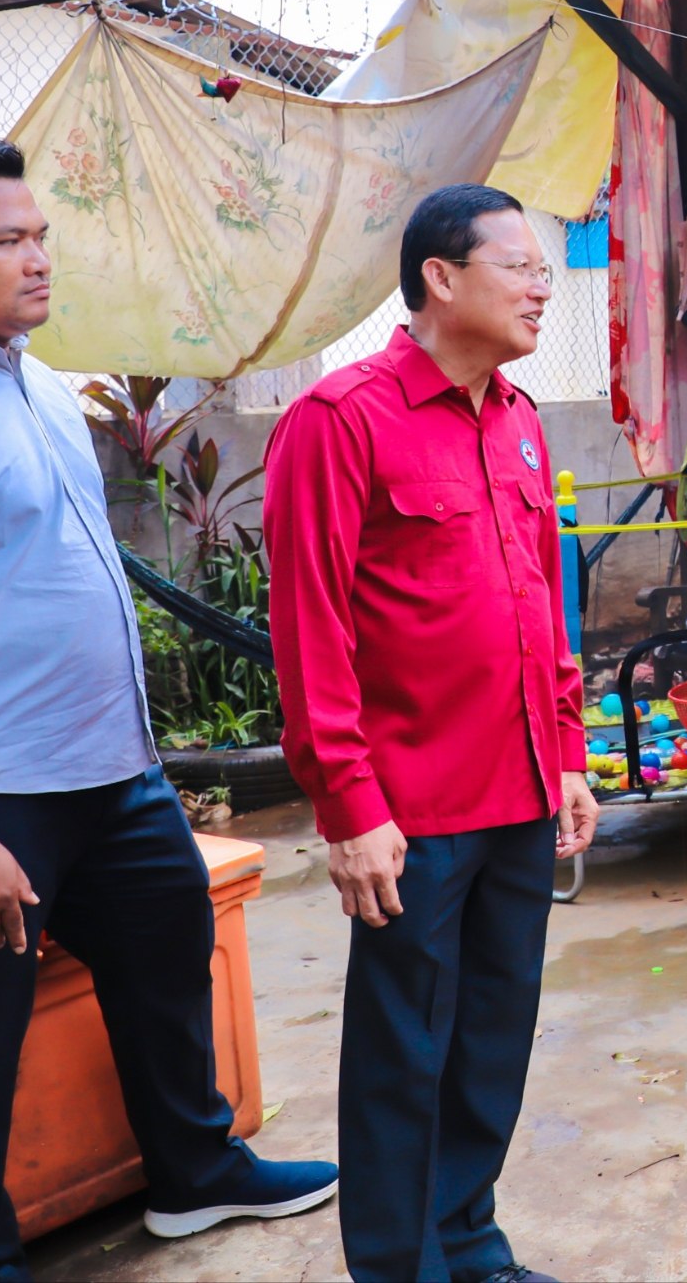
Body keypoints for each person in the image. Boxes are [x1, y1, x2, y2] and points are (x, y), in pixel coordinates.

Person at [0, 131, 337, 1282]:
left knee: (167, 942)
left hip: (105, 772)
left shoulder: (34, 383)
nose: (39, 258)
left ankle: (194, 1172)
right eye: (9, 240)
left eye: (41, 235)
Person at [266, 184, 599, 1283]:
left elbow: (541, 608)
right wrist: (348, 807)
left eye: (543, 268)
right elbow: (311, 630)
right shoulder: (341, 420)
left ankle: (469, 1245)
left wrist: (567, 756)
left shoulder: (518, 420)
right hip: (412, 810)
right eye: (519, 266)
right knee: (403, 1055)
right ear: (440, 278)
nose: (541, 288)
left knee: (493, 1039)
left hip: (522, 791)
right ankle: (400, 1266)